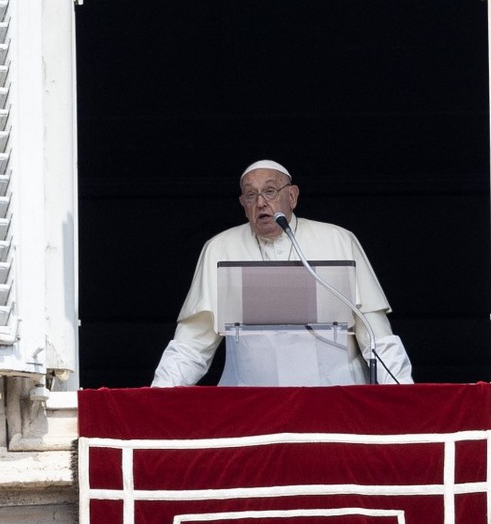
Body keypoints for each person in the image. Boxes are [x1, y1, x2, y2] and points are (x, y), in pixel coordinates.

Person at [152, 160, 414, 386]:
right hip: (252, 406)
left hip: (335, 399)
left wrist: (406, 397)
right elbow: (191, 345)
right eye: (251, 195)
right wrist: (156, 396)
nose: (261, 202)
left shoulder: (338, 240)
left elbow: (377, 339)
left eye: (270, 191)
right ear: (243, 203)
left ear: (292, 196)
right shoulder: (219, 248)